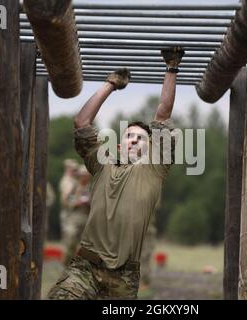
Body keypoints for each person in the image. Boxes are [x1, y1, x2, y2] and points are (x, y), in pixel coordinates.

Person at [48, 47, 183, 300]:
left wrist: (171, 67)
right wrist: (110, 84)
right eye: (129, 136)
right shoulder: (102, 165)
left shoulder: (155, 168)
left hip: (124, 275)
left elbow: (162, 114)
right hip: (86, 267)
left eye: (141, 138)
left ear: (151, 146)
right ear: (119, 145)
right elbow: (81, 124)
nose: (134, 141)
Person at [61, 164, 91, 265]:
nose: (84, 177)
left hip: (87, 220)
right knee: (71, 241)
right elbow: (65, 202)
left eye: (86, 175)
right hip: (74, 219)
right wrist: (75, 203)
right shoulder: (74, 187)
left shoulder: (91, 188)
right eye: (82, 175)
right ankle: (66, 265)